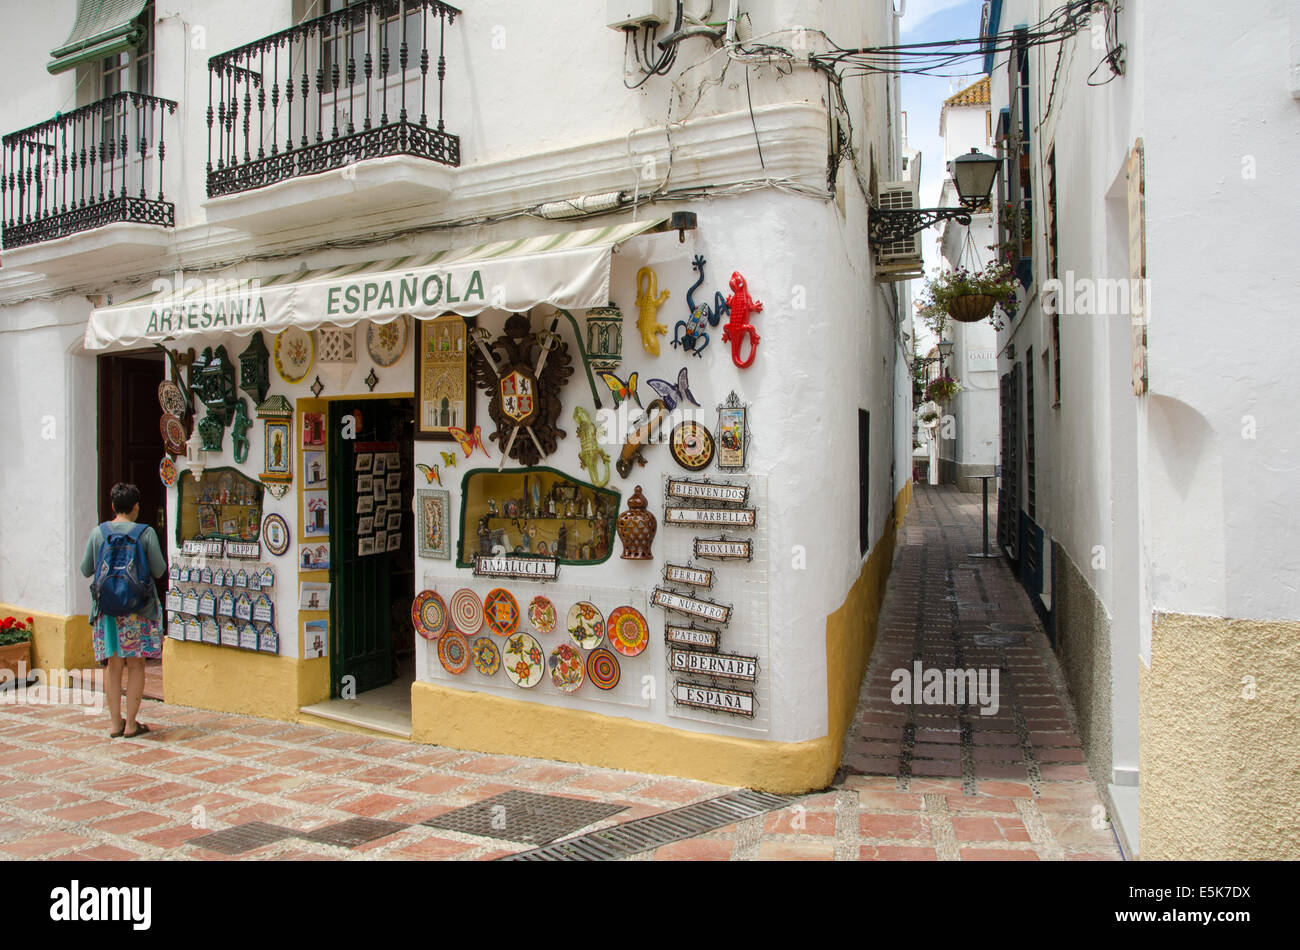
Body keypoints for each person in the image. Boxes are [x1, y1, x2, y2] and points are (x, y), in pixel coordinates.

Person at [79, 483, 167, 739]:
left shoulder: (99, 532)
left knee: (113, 665)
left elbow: (86, 569)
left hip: (107, 611)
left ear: (113, 506)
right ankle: (132, 724)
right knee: (137, 664)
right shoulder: (145, 533)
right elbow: (159, 570)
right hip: (138, 610)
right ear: (136, 506)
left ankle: (115, 723)